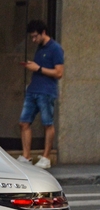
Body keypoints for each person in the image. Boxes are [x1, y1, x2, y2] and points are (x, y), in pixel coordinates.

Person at [17, 20, 64, 169]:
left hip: (46, 91)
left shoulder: (55, 49)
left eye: (35, 36)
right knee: (24, 122)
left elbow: (59, 73)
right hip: (33, 90)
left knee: (47, 123)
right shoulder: (40, 48)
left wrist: (38, 68)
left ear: (43, 32)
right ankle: (26, 156)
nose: (33, 40)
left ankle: (46, 157)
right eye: (32, 37)